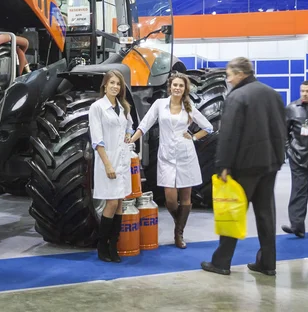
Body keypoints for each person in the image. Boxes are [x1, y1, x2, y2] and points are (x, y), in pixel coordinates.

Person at [201, 57, 286, 277]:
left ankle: (221, 262)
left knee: (232, 212)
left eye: (229, 75)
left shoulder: (237, 97)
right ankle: (267, 263)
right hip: (270, 163)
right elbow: (281, 129)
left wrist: (222, 165)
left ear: (240, 74)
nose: (228, 80)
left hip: (245, 165)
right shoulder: (273, 94)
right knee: (266, 214)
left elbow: (229, 135)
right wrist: (278, 158)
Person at [129, 72, 213, 248]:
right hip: (166, 157)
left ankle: (178, 234)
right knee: (170, 199)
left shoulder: (189, 107)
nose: (177, 88)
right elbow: (145, 124)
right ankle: (179, 224)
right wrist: (132, 139)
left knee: (186, 197)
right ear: (170, 87)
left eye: (181, 86)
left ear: (185, 89)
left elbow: (208, 127)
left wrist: (194, 137)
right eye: (175, 85)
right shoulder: (160, 105)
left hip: (186, 156)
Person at [88, 69, 134, 263]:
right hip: (107, 160)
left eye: (118, 84)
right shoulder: (97, 107)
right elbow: (97, 140)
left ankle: (113, 247)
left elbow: (128, 127)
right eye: (112, 83)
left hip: (122, 160)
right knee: (112, 202)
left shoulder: (123, 107)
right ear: (105, 85)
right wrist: (107, 165)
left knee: (120, 203)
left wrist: (128, 136)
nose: (115, 86)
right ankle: (102, 246)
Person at [281, 80, 308, 239]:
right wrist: (289, 150)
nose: (304, 94)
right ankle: (297, 226)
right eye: (302, 91)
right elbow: (284, 133)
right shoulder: (292, 108)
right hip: (298, 157)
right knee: (299, 191)